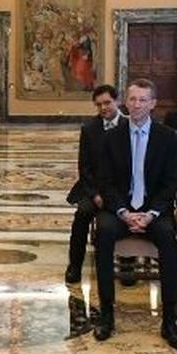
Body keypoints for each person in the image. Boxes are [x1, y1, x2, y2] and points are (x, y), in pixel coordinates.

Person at [92, 79, 177, 348]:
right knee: (104, 233)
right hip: (120, 209)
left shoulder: (168, 137)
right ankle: (106, 315)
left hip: (154, 210)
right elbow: (105, 181)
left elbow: (171, 183)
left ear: (153, 104)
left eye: (143, 100)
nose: (137, 105)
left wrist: (151, 214)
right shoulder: (111, 138)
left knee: (168, 238)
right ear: (125, 102)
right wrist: (123, 212)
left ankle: (169, 320)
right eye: (132, 99)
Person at [65, 84, 123, 284]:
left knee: (127, 214)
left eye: (107, 103)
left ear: (117, 101)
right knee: (82, 215)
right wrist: (95, 194)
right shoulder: (89, 129)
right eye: (99, 105)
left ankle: (127, 261)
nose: (104, 108)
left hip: (122, 191)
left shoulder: (130, 125)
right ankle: (74, 265)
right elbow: (85, 167)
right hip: (94, 189)